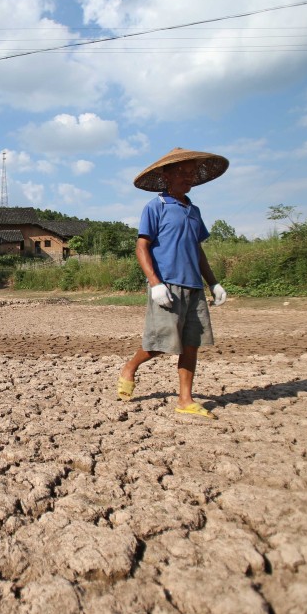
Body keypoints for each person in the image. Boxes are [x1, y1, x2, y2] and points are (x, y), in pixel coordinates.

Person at [117, 147, 229, 419]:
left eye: (191, 173)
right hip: (167, 285)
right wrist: (155, 283)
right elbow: (142, 247)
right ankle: (130, 367)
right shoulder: (157, 207)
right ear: (166, 175)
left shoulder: (193, 210)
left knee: (192, 344)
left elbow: (197, 250)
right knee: (159, 343)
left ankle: (185, 400)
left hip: (194, 287)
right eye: (181, 172)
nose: (187, 177)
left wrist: (213, 283)